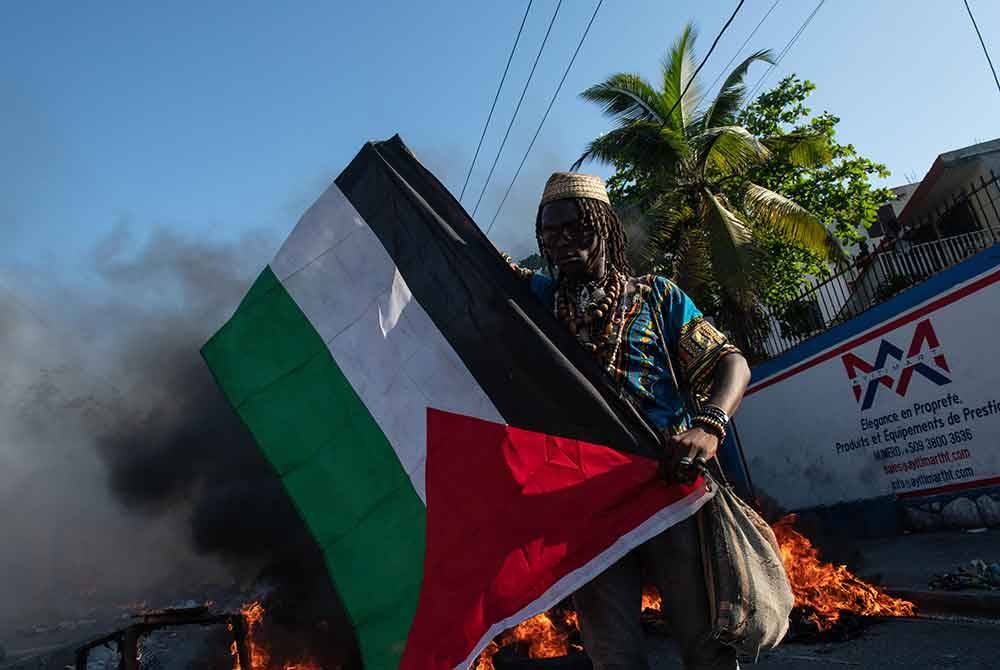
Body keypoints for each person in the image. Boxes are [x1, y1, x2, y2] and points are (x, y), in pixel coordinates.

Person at [517, 172, 752, 670]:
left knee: (706, 643)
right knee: (613, 656)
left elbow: (732, 362)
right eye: (549, 234)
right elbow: (469, 265)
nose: (560, 243)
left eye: (574, 228)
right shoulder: (537, 303)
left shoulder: (656, 297)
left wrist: (709, 425)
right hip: (587, 508)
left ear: (605, 226)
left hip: (669, 490)